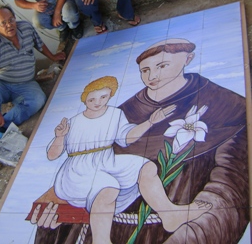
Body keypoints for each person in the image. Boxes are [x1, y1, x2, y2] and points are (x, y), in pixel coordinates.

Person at [32, 38, 249, 244]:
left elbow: (227, 197)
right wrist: (53, 222)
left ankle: (170, 213)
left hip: (168, 235)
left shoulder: (227, 107)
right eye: (145, 70)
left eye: (162, 65)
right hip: (103, 223)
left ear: (188, 59)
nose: (153, 75)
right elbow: (82, 173)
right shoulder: (123, 112)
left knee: (143, 169)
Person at [41, 77, 211, 244]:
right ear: (84, 99)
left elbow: (127, 138)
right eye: (92, 99)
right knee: (108, 187)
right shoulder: (73, 122)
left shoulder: (115, 114)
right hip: (77, 170)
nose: (98, 102)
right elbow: (52, 155)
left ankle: (169, 214)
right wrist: (59, 137)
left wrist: (150, 122)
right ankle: (101, 240)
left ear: (110, 95)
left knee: (146, 167)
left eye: (103, 97)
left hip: (106, 161)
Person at [0, 5, 66, 171]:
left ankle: (3, 126)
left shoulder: (25, 28)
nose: (9, 25)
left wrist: (53, 56)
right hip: (2, 82)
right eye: (3, 23)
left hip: (25, 82)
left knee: (38, 99)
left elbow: (39, 44)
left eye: (11, 20)